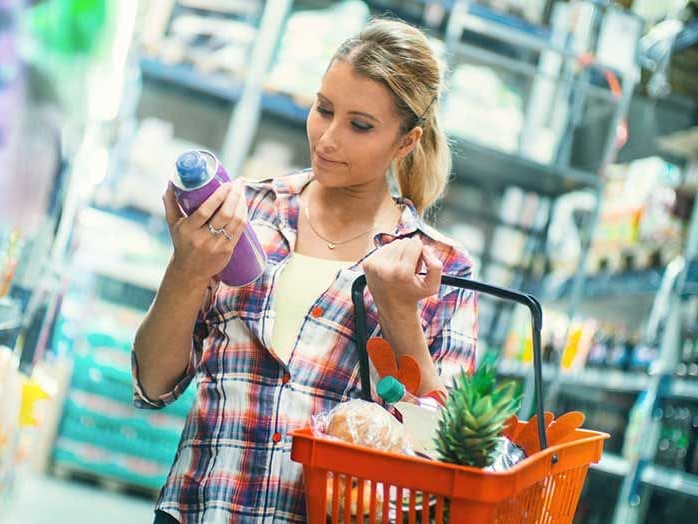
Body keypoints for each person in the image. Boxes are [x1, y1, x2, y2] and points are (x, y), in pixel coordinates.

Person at [132, 18, 478, 523]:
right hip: (197, 510)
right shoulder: (244, 211)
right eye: (324, 109)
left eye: (360, 125)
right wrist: (186, 271)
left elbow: (447, 450)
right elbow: (153, 387)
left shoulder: (439, 266)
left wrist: (399, 311)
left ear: (406, 142)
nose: (328, 139)